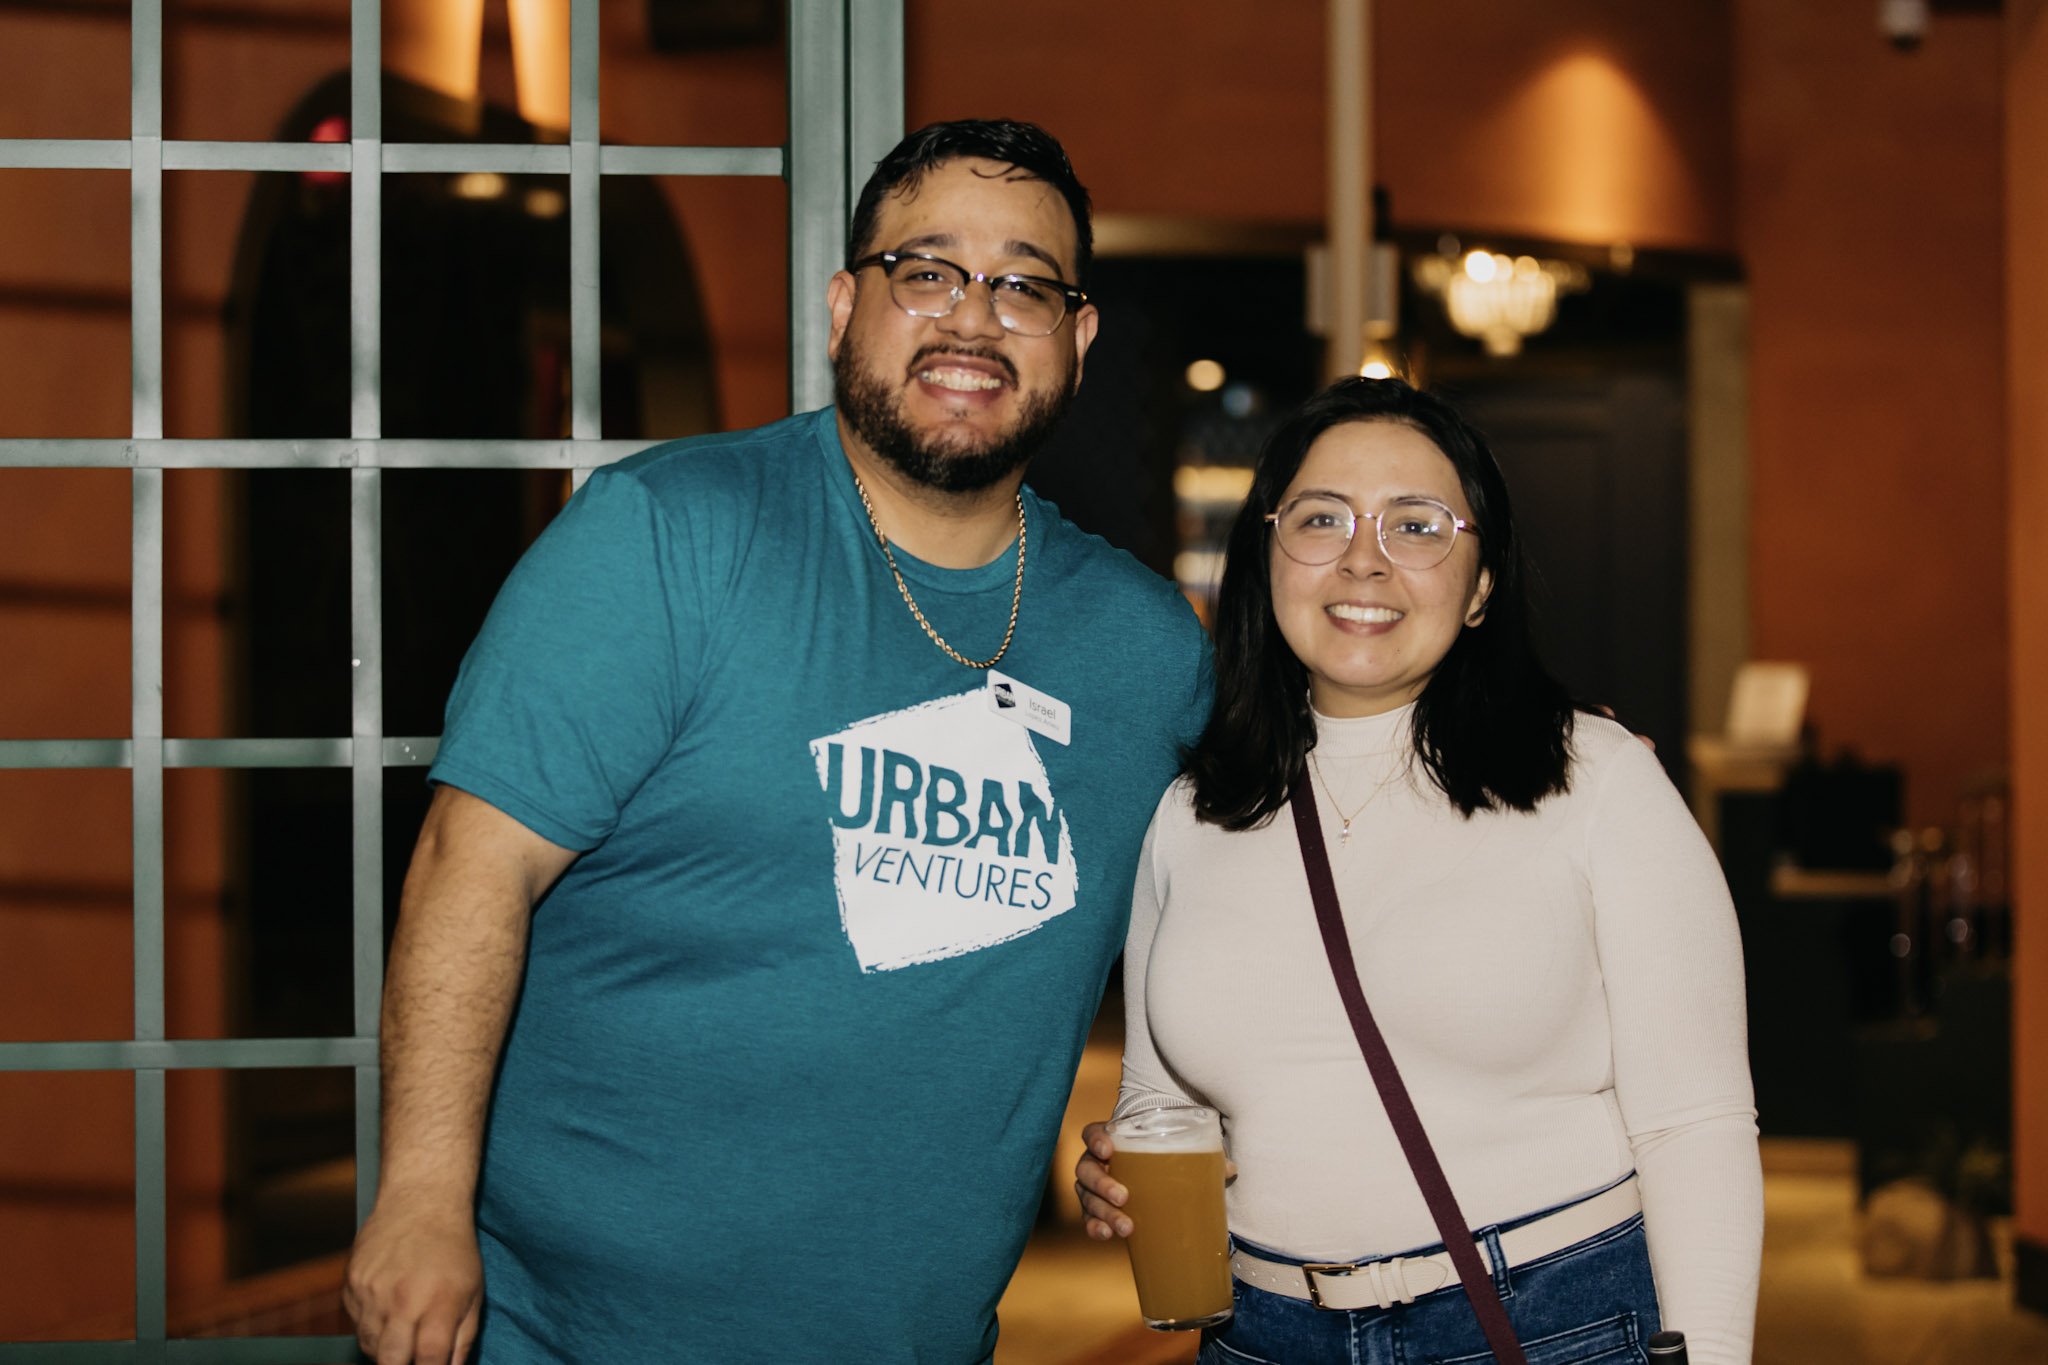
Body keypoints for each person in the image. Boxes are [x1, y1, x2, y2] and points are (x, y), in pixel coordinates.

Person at [341, 119, 1212, 1365]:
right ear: (843, 308)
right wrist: (421, 1199)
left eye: (1023, 283)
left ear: (1073, 341)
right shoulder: (664, 538)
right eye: (927, 271)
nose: (973, 317)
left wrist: (1164, 1103)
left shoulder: (1146, 651)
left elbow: (1232, 912)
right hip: (556, 1333)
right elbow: (469, 867)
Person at [1076, 378, 1763, 1364]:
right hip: (1260, 1334)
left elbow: (1693, 1124)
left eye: (1417, 523)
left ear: (1480, 582)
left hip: (1549, 1319)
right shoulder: (1194, 812)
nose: (1364, 557)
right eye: (1320, 519)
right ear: (1265, 555)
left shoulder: (1597, 779)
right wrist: (1117, 1172)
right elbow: (1162, 1105)